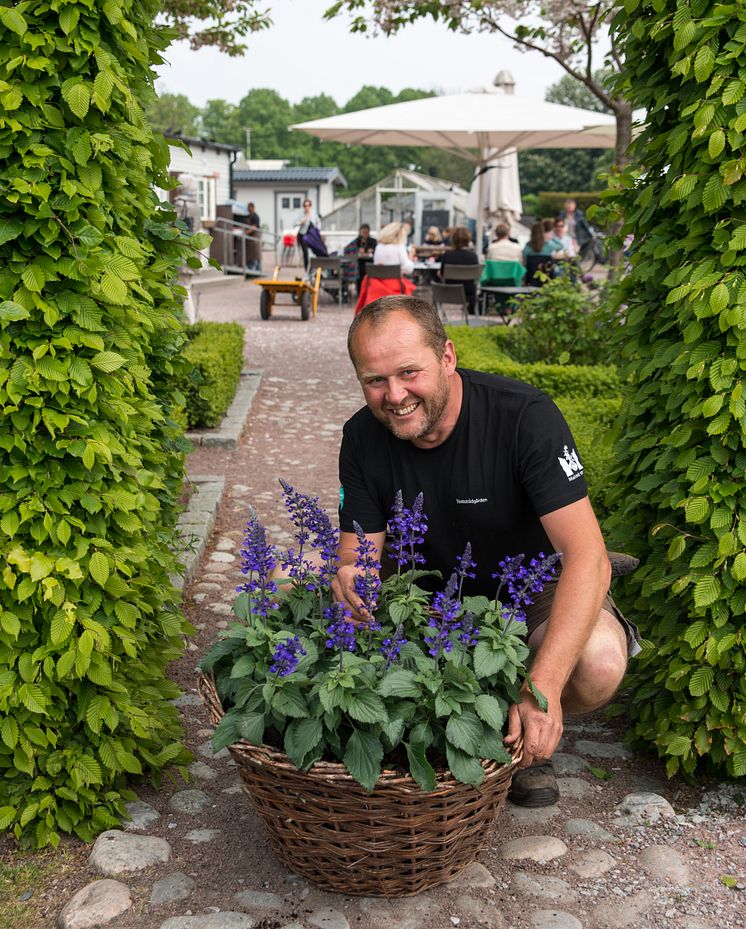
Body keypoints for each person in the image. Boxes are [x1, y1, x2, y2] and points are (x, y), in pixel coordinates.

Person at [332, 295, 639, 808]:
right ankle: (471, 737)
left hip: (528, 588)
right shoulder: (361, 437)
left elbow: (589, 556)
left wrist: (541, 689)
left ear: (447, 357)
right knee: (281, 583)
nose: (395, 395)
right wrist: (351, 579)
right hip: (427, 598)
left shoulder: (524, 417)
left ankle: (527, 736)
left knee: (599, 663)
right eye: (375, 381)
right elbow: (358, 557)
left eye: (410, 372)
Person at [439, 225, 479, 314]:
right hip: (469, 292)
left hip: (449, 290)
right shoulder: (473, 257)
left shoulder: (447, 255)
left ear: (453, 239)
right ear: (468, 239)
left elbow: (442, 274)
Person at [347, 223, 377, 291]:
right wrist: (357, 251)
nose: (365, 234)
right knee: (360, 271)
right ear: (360, 232)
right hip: (359, 263)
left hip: (370, 262)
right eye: (363, 232)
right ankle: (360, 291)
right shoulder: (356, 242)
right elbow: (349, 249)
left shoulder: (373, 241)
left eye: (366, 232)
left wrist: (372, 251)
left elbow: (376, 251)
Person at [295, 198, 321, 270]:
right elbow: (294, 223)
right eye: (305, 206)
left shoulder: (313, 213)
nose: (307, 207)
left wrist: (317, 230)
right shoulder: (300, 214)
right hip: (303, 235)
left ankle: (314, 267)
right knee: (305, 252)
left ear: (310, 206)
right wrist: (301, 222)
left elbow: (318, 222)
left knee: (314, 251)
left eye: (308, 205)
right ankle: (306, 268)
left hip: (311, 235)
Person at [245, 202, 262, 272]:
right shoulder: (248, 216)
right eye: (248, 208)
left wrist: (245, 233)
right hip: (249, 239)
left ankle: (258, 269)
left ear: (253, 208)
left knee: (256, 254)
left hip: (255, 237)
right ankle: (250, 268)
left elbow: (253, 228)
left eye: (250, 208)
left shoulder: (255, 216)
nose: (249, 209)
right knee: (250, 254)